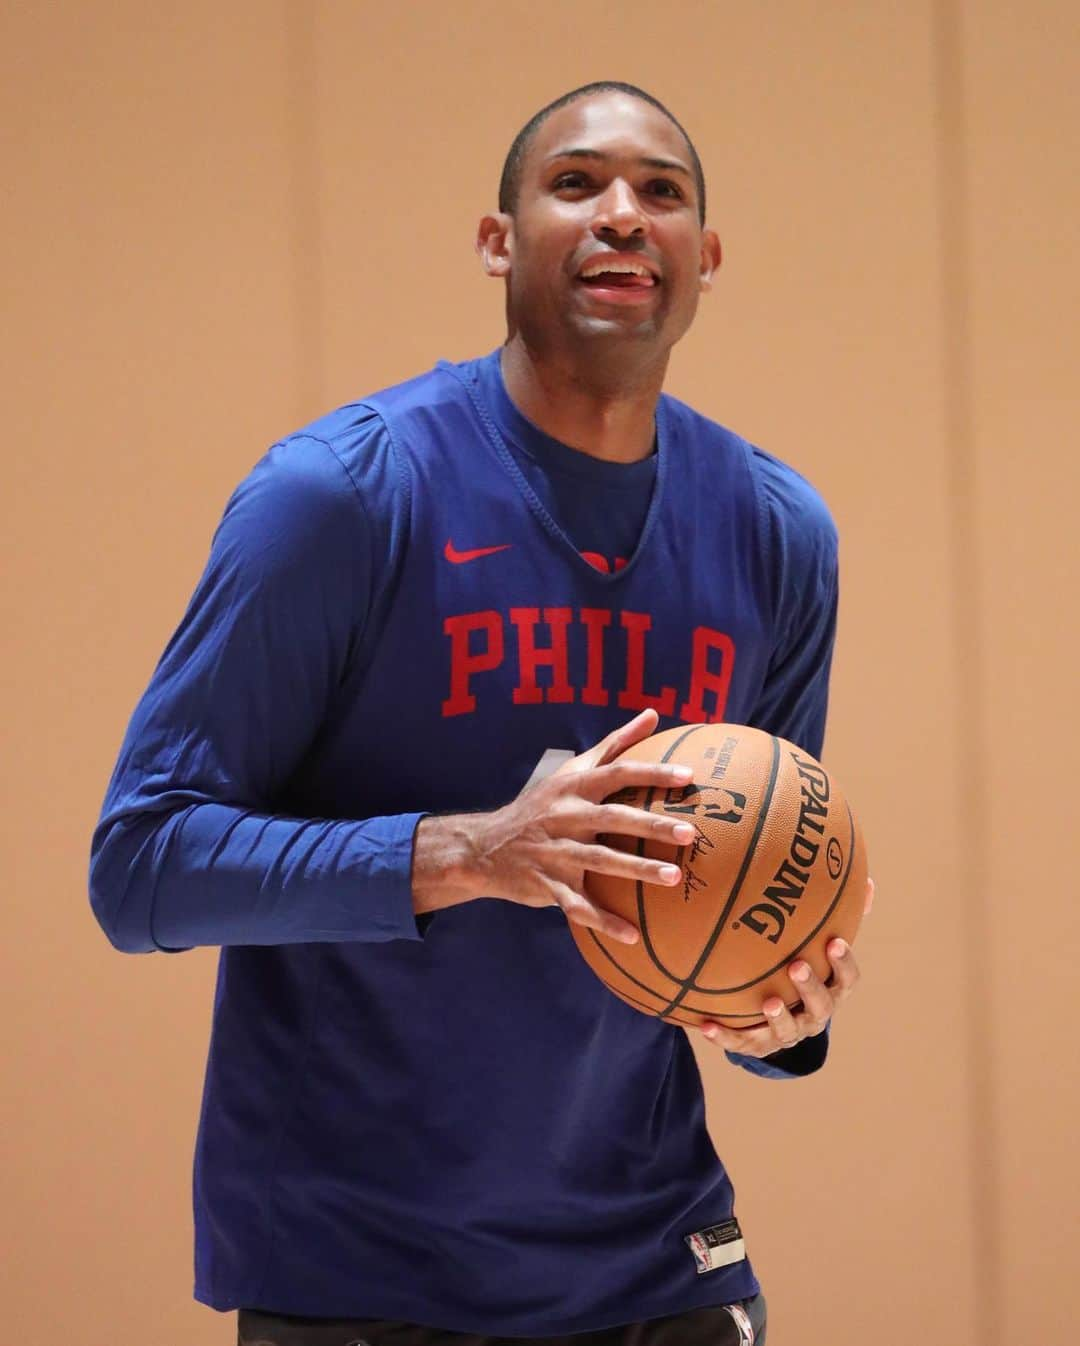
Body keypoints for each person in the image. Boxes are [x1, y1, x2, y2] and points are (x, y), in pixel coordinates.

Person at [89, 81, 870, 1346]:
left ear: (706, 258)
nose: (623, 214)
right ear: (497, 241)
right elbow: (140, 865)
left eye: (661, 192)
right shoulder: (341, 497)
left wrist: (781, 1013)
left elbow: (739, 924)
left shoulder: (779, 534)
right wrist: (466, 850)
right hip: (364, 1273)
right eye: (576, 183)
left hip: (657, 1261)